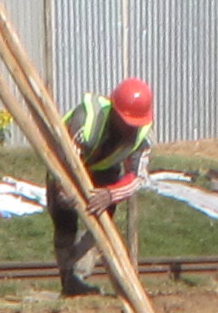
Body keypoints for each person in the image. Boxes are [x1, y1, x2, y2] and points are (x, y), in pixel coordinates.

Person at [49, 75, 153, 297]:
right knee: (65, 220)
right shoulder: (86, 120)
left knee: (100, 224)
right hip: (68, 164)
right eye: (126, 124)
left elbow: (138, 178)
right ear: (115, 112)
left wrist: (111, 194)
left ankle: (77, 276)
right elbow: (64, 162)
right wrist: (64, 188)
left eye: (135, 125)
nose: (130, 130)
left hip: (105, 172)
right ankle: (67, 280)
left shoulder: (143, 137)